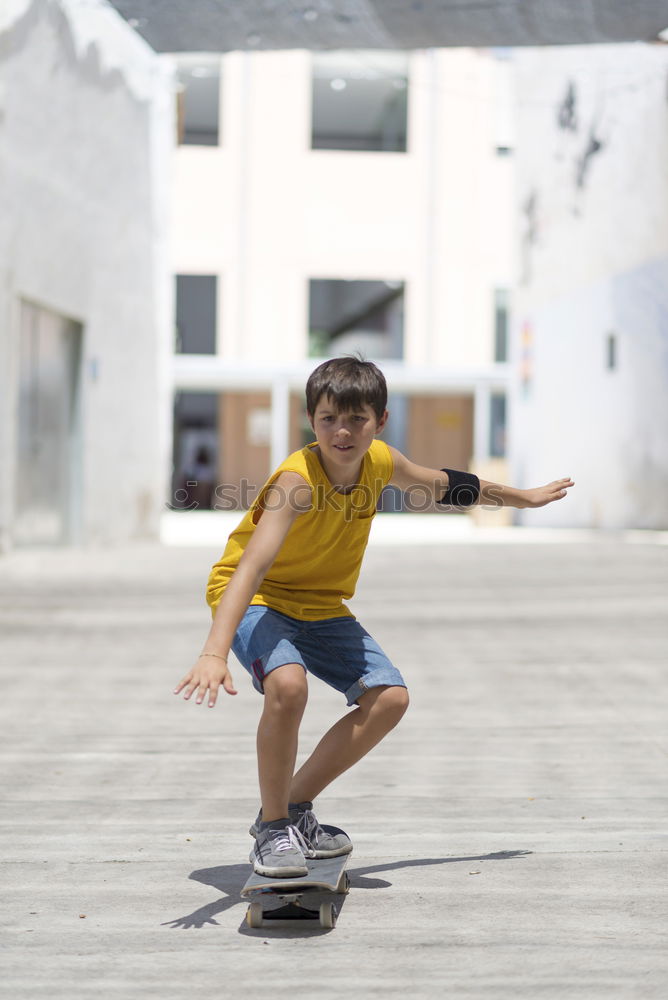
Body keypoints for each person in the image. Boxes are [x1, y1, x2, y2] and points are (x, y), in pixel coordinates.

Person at [174, 357, 574, 877]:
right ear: (310, 422)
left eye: (357, 420)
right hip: (258, 598)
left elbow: (441, 483)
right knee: (289, 686)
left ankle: (290, 809)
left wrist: (520, 496)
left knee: (389, 698)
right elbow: (250, 567)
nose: (342, 432)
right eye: (328, 420)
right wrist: (213, 651)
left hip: (321, 604)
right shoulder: (297, 481)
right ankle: (274, 832)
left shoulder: (380, 461)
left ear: (380, 421)